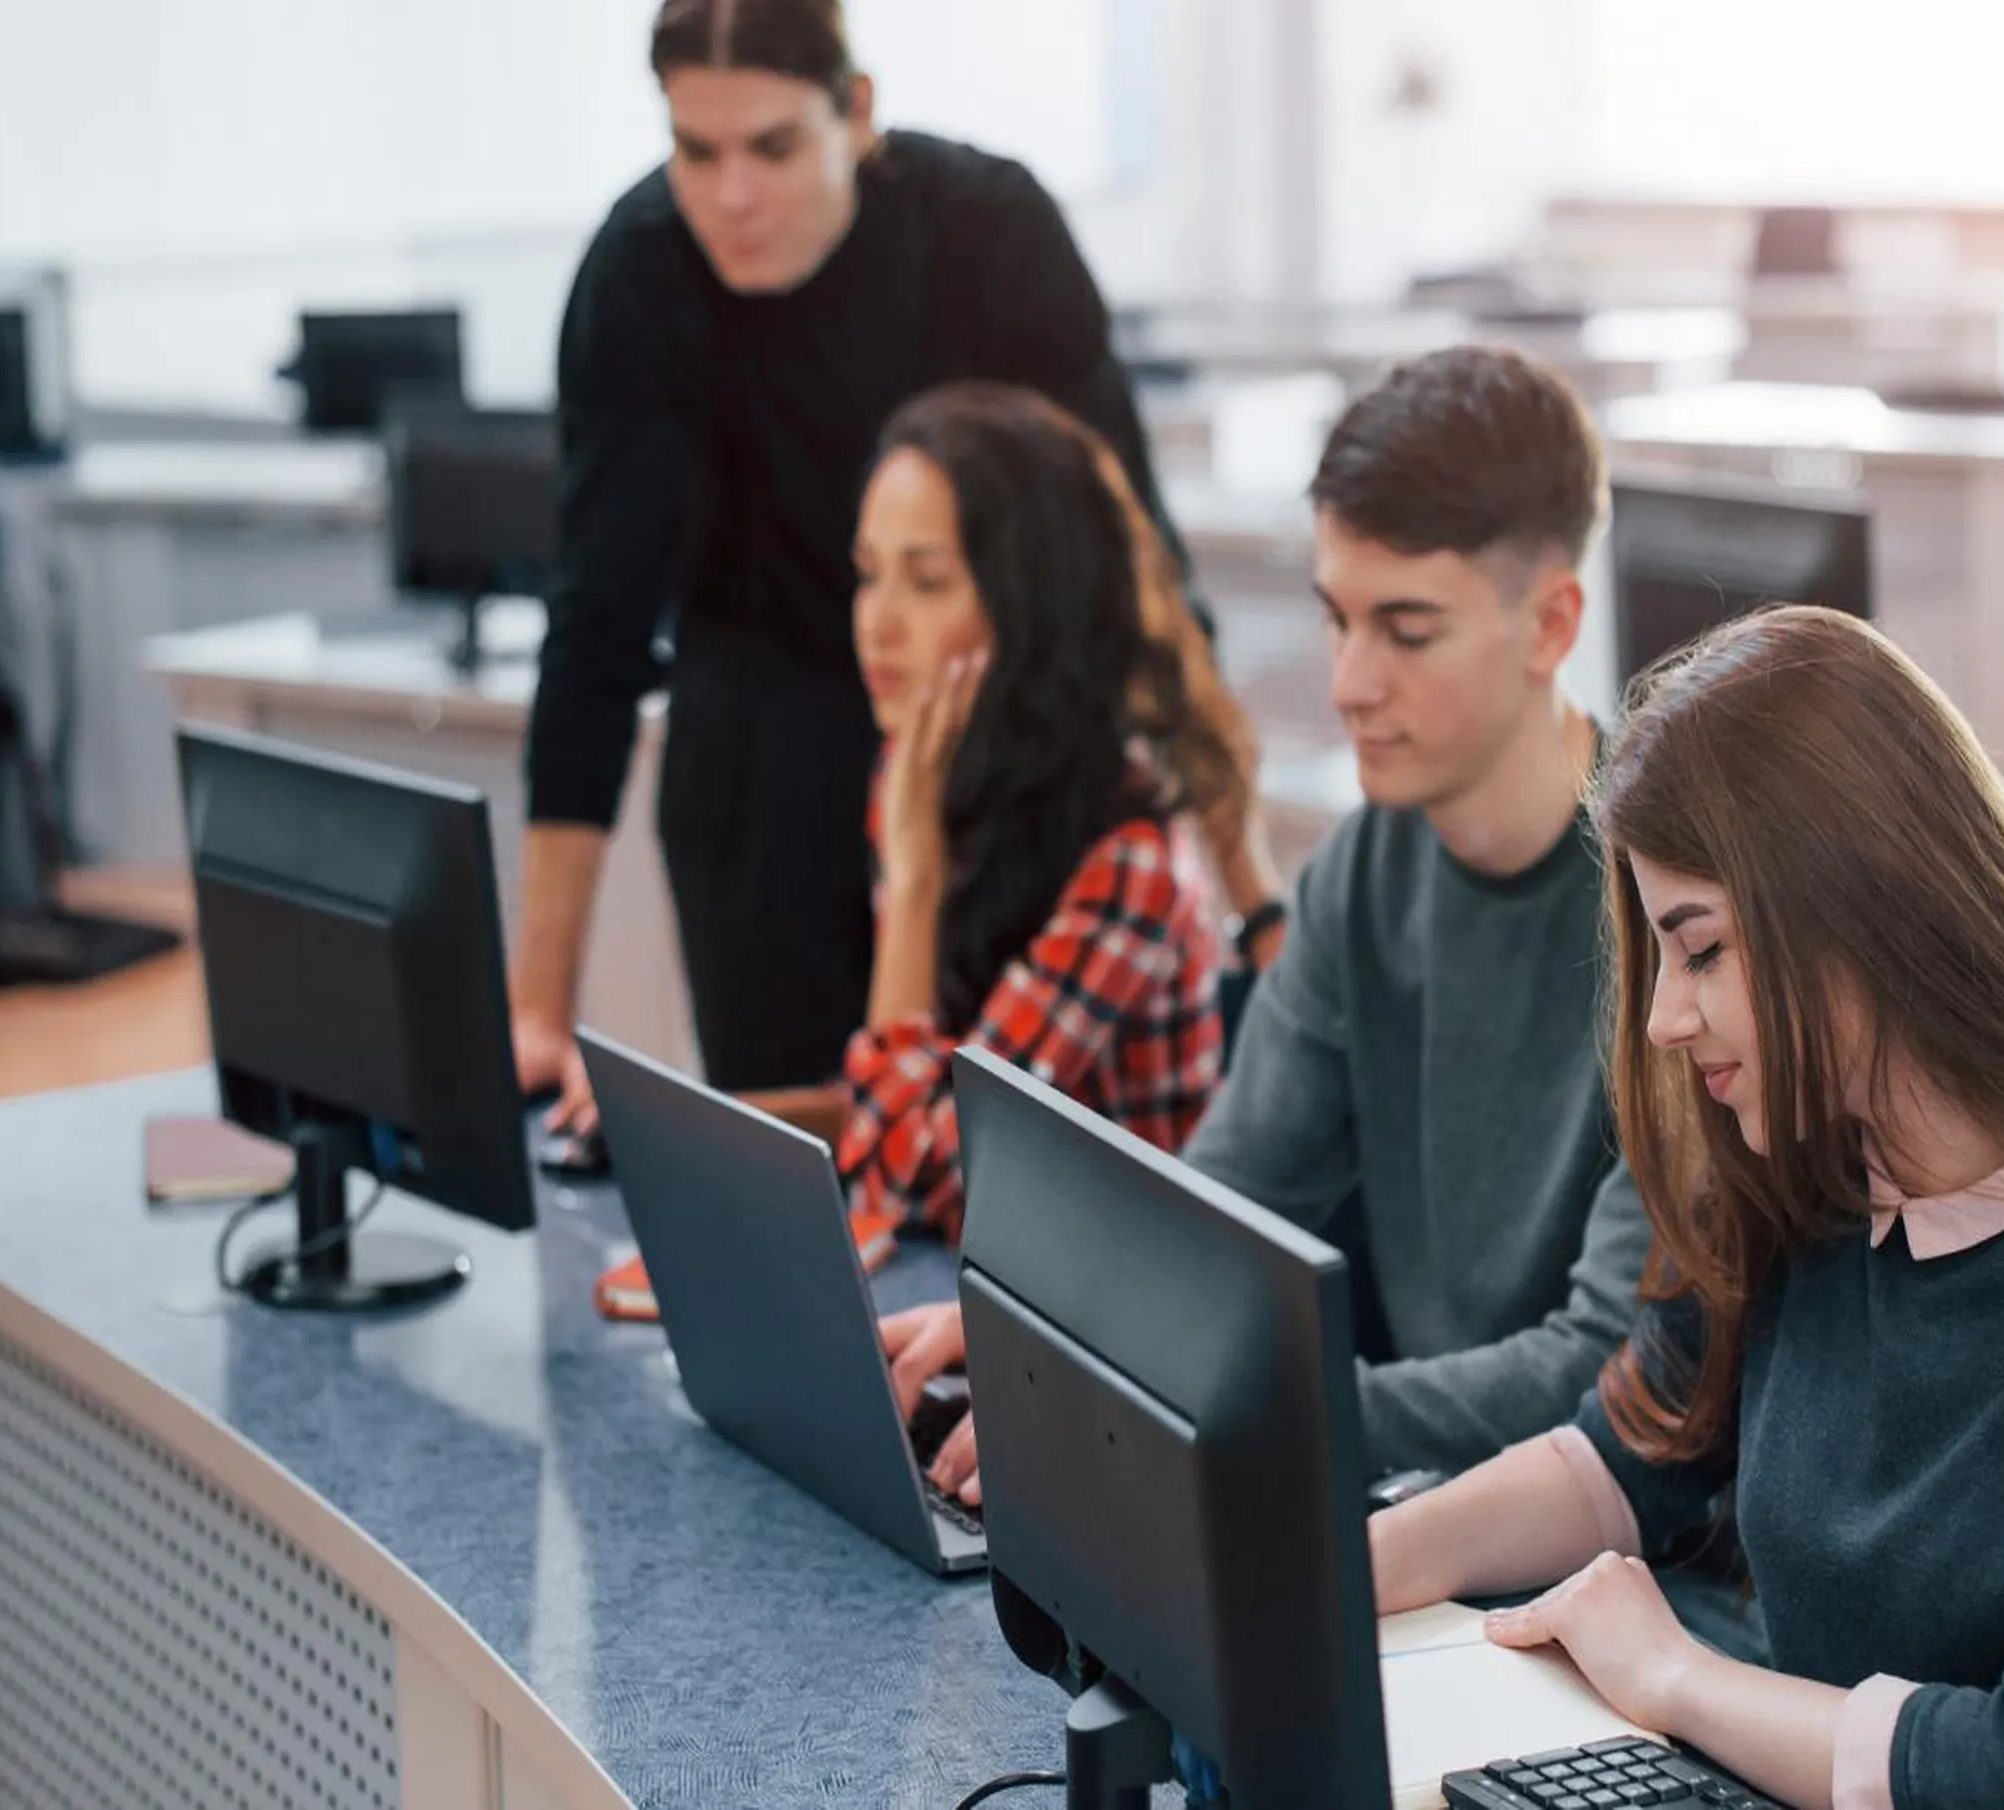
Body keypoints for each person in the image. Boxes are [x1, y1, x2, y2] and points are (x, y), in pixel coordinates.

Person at [1367, 606, 2004, 1809]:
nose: (1663, 1020)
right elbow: (1620, 1459)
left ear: (1858, 913)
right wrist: (1349, 1568)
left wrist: (1675, 1677)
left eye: (1701, 951)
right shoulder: (1801, 1176)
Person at [882, 347, 1653, 1510]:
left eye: (1406, 631)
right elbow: (1223, 1211)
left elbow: (1608, 1370)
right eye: (1337, 619)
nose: (1349, 683)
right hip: (1420, 1509)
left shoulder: (1674, 912)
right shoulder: (1362, 870)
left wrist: (1238, 1404)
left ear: (1551, 625)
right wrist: (1050, 1327)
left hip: (1609, 1551)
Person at [511, 0, 1191, 1123]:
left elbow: (1130, 544)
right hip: (759, 749)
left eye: (772, 148)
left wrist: (1225, 851)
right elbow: (593, 634)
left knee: (979, 1141)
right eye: (696, 152)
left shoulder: (987, 230)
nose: (731, 196)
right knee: (790, 1157)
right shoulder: (638, 272)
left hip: (1000, 739)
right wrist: (538, 1009)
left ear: (857, 112)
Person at [828, 383, 1236, 1240]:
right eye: (868, 574)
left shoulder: (1132, 860)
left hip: (1115, 1303)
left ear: (1030, 606)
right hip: (990, 1271)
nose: (878, 625)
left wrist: (915, 884)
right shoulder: (926, 773)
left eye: (927, 582)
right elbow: (905, 1098)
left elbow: (906, 1179)